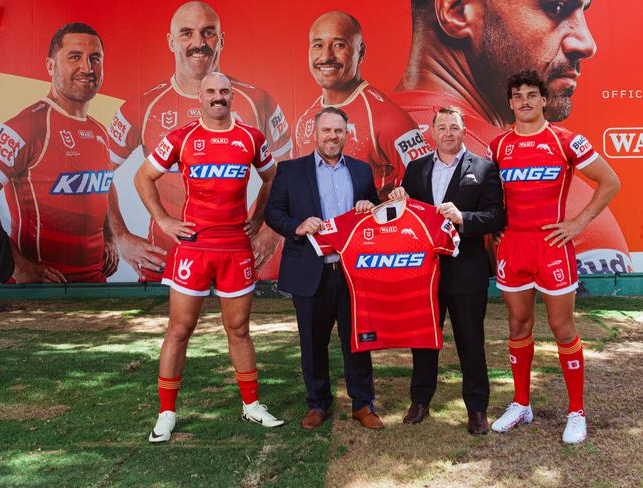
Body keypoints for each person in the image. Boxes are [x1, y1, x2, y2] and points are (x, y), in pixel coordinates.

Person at [393, 0, 632, 273]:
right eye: (556, 8)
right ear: (457, 10)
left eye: (584, 11)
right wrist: (580, 225)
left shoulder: (380, 122)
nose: (586, 43)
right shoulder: (567, 196)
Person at [134, 72, 284, 443]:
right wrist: (164, 220)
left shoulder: (251, 137)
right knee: (180, 330)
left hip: (235, 247)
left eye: (224, 92)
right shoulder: (182, 138)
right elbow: (143, 177)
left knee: (239, 330)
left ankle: (251, 406)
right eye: (211, 92)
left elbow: (271, 177)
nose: (218, 97)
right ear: (199, 97)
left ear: (232, 96)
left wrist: (258, 218)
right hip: (195, 248)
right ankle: (166, 413)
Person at [107, 1, 291, 280]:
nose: (198, 42)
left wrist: (269, 234)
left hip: (239, 255)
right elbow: (96, 172)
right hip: (167, 263)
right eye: (186, 33)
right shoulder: (142, 106)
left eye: (208, 32)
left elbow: (287, 175)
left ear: (221, 39)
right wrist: (120, 235)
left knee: (238, 325)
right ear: (171, 41)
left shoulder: (258, 101)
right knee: (177, 326)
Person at [488, 70, 620, 444]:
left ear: (544, 100)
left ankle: (576, 411)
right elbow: (485, 193)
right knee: (517, 326)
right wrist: (493, 222)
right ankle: (521, 403)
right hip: (513, 247)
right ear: (510, 103)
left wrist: (578, 223)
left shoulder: (566, 140)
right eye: (518, 95)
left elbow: (610, 181)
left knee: (563, 329)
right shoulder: (497, 146)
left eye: (532, 94)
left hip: (552, 247)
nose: (525, 101)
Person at [0, 23, 142, 283]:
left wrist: (110, 235)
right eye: (75, 57)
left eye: (94, 58)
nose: (87, 67)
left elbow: (102, 183)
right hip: (40, 295)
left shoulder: (97, 129)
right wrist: (15, 265)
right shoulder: (28, 126)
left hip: (94, 287)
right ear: (51, 67)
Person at [388, 106, 504, 434]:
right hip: (424, 274)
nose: (448, 133)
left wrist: (463, 217)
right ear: (433, 132)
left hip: (466, 273)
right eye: (442, 128)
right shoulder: (416, 168)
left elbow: (496, 216)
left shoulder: (484, 169)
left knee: (471, 341)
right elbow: (403, 216)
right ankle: (420, 400)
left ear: (464, 130)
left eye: (454, 127)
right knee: (424, 340)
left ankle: (477, 409)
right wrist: (398, 198)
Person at [266, 107, 383, 430]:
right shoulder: (290, 171)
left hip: (352, 274)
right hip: (310, 272)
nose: (333, 136)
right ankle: (317, 404)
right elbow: (273, 213)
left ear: (347, 134)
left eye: (339, 131)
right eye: (327, 131)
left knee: (357, 341)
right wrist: (298, 225)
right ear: (314, 134)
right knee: (313, 344)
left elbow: (375, 209)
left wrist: (369, 207)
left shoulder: (360, 171)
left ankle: (363, 404)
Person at [295, 11, 430, 201]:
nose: (326, 56)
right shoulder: (304, 121)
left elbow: (432, 184)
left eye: (339, 45)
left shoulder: (387, 118)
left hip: (371, 230)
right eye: (318, 45)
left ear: (361, 52)